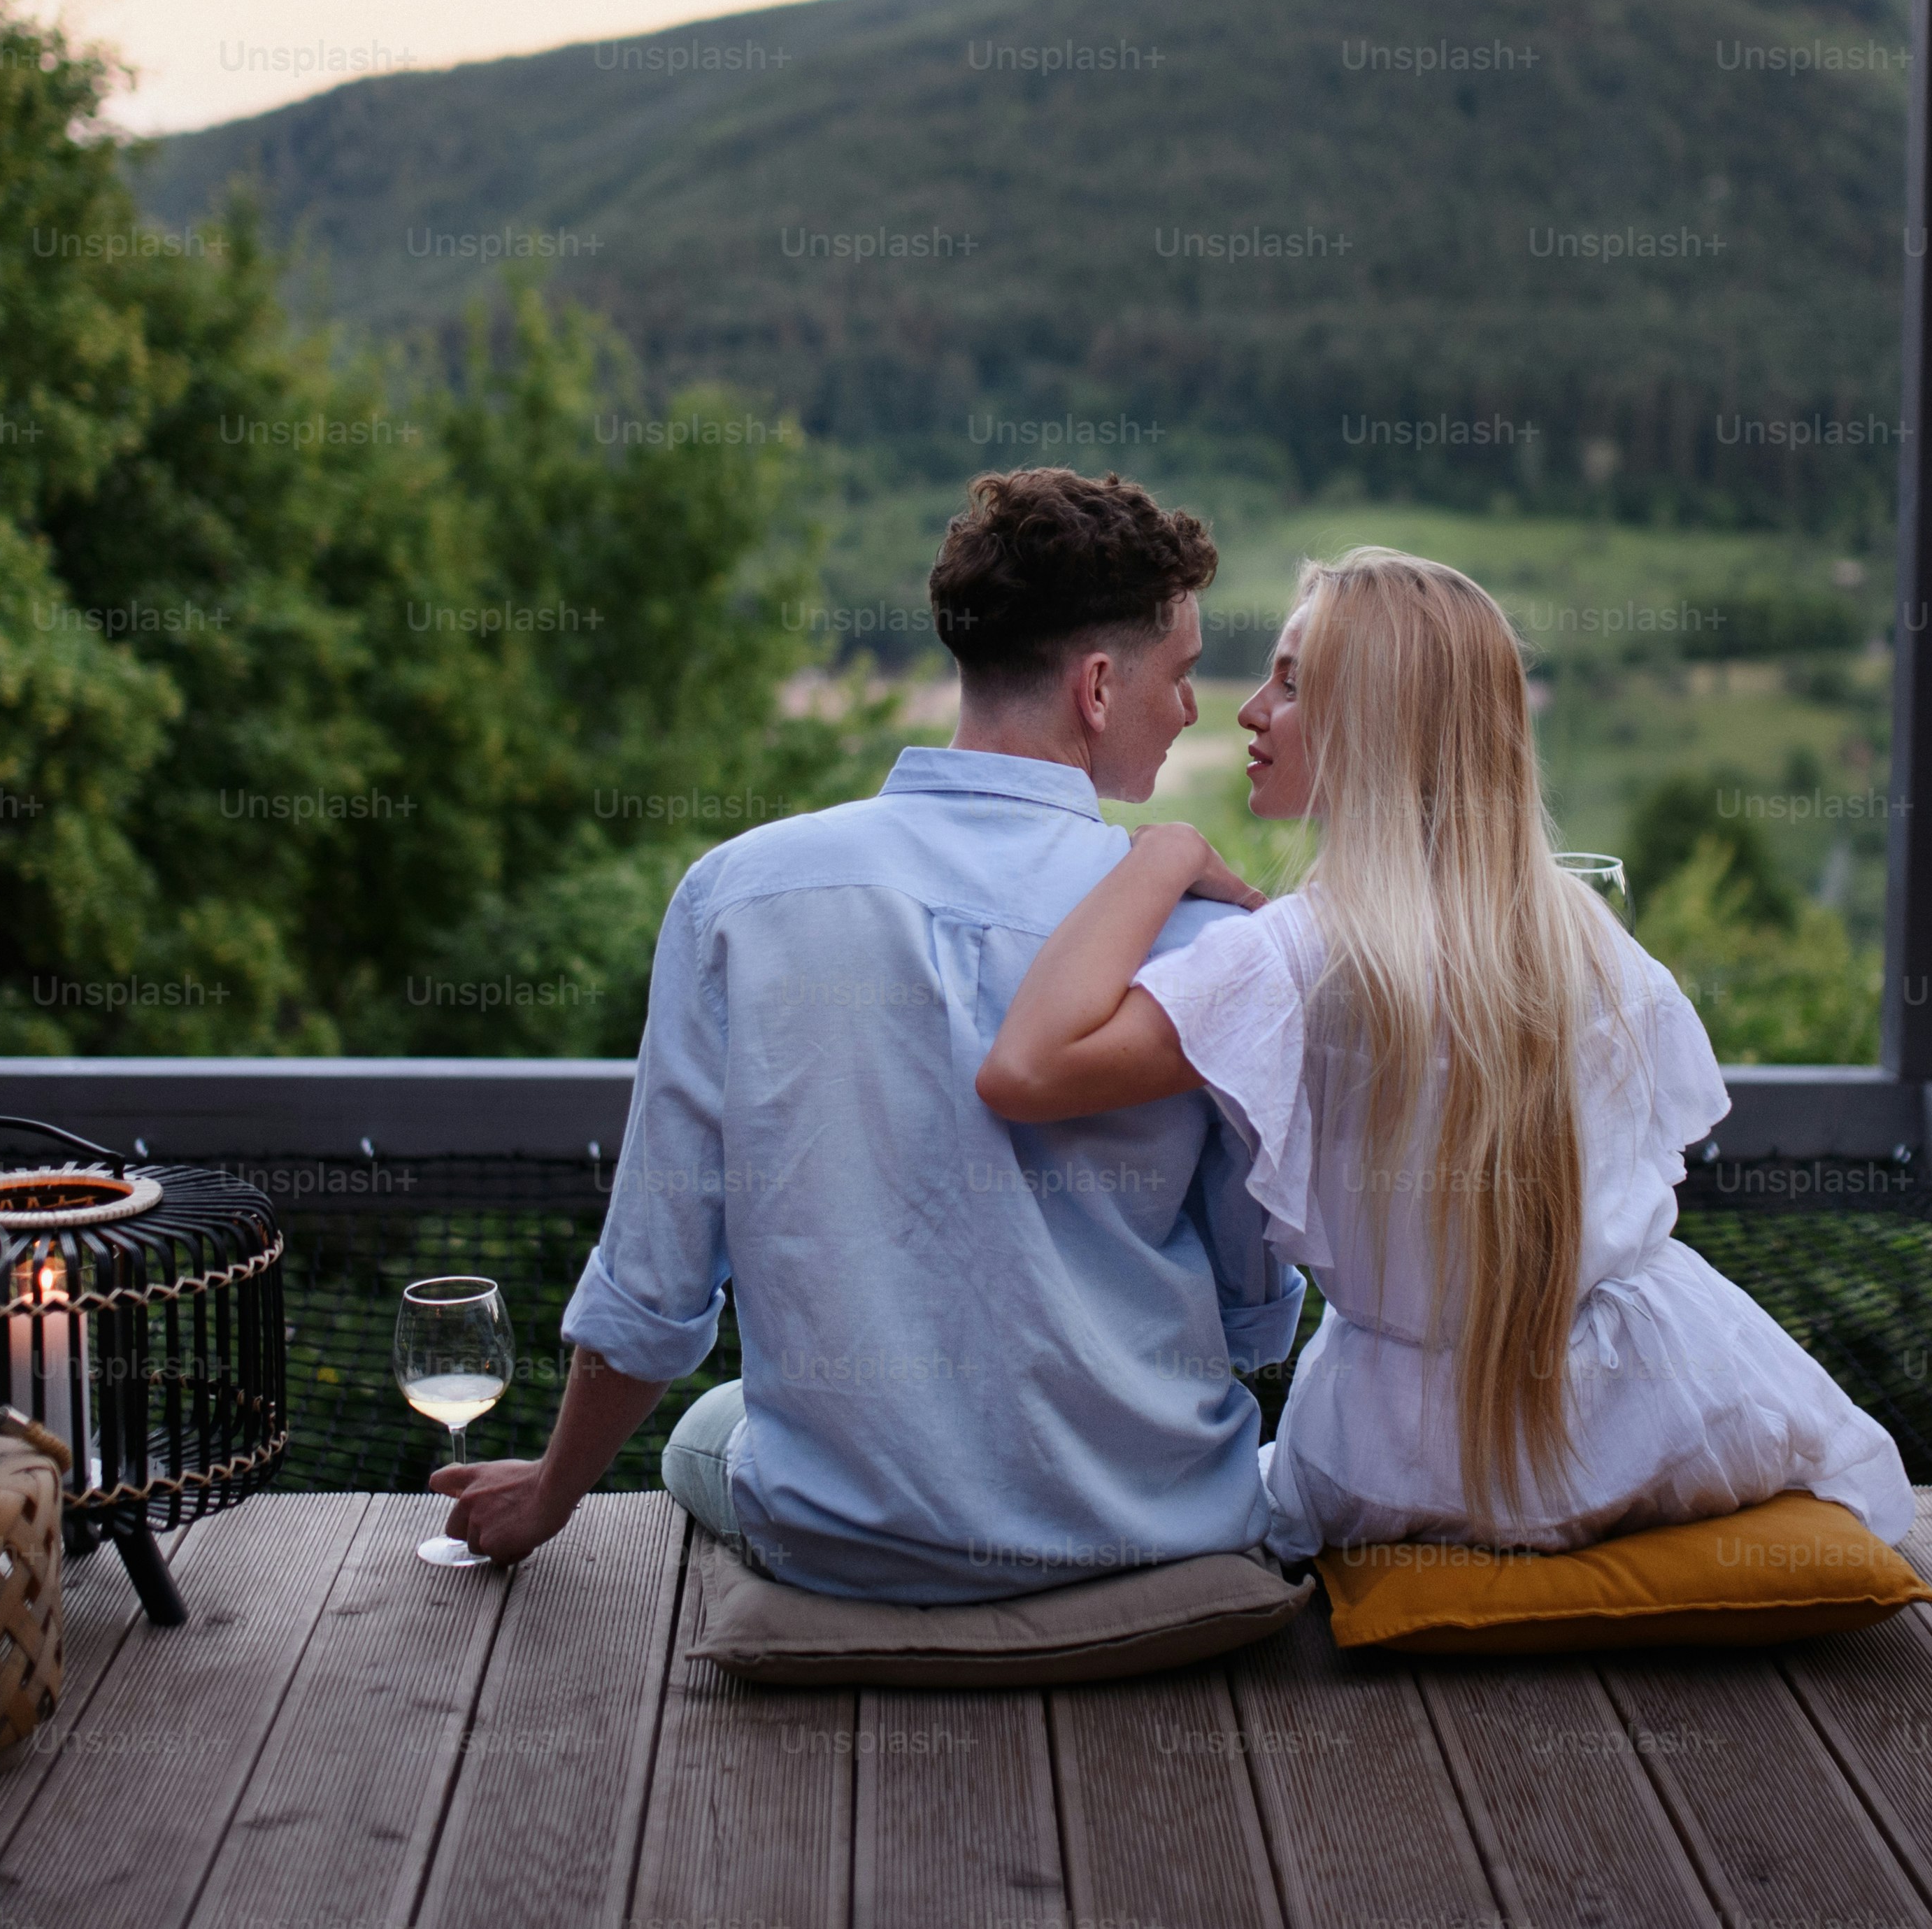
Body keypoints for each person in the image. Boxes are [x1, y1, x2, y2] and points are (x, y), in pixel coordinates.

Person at [430, 467, 1303, 1599]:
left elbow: (654, 1287)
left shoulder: (738, 896)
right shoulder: (1207, 937)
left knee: (716, 1421)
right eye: (1181, 676)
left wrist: (551, 1491)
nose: (1191, 709)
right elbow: (1251, 1314)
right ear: (1097, 687)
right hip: (1160, 1525)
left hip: (853, 1545)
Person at [979, 545, 1912, 1560]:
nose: (1249, 710)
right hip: (1663, 1403)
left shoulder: (1294, 955)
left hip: (1405, 1452)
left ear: (1374, 721)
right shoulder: (1577, 924)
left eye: (1291, 682)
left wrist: (1159, 852)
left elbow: (1026, 1068)